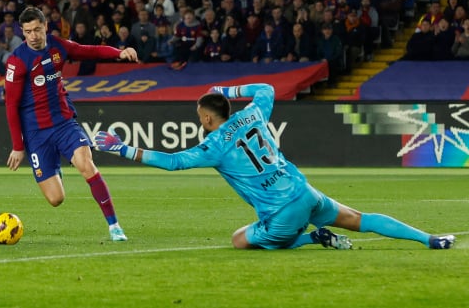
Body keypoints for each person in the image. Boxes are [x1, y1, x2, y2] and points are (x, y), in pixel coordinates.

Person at [94, 83, 455, 250]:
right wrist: (228, 90)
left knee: (239, 240)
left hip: (281, 212)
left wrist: (123, 149)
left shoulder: (214, 145)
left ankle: (312, 238)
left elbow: (172, 162)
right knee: (360, 219)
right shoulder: (253, 112)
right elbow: (266, 88)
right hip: (304, 190)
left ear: (206, 118)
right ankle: (430, 239)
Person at [3, 7, 138, 241]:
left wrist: (119, 52)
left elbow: (90, 51)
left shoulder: (58, 46)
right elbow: (10, 105)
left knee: (86, 165)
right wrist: (18, 145)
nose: (33, 36)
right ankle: (54, 166)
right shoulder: (17, 61)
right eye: (27, 32)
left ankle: (114, 226)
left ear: (46, 26)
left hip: (65, 123)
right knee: (56, 199)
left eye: (36, 29)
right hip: (36, 133)